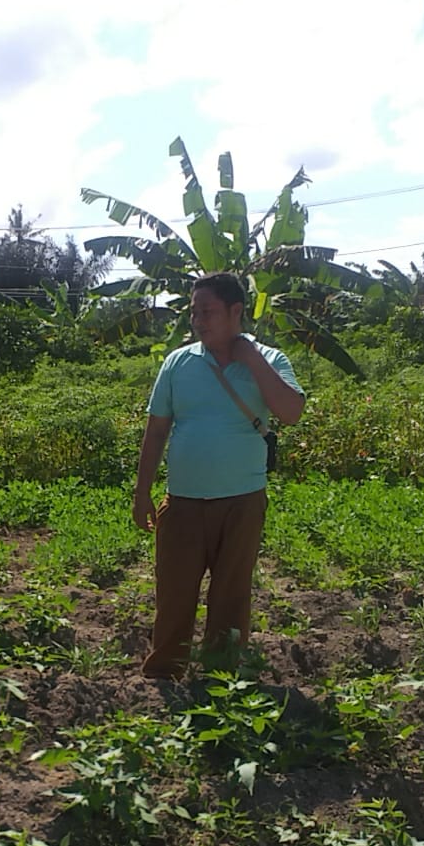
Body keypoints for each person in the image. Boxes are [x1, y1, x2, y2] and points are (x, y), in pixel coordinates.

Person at [132, 272, 305, 679]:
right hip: (184, 502)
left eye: (207, 312)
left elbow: (291, 413)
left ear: (236, 312)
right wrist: (142, 493)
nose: (198, 320)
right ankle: (164, 676)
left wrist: (251, 359)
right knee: (174, 593)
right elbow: (156, 430)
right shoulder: (179, 362)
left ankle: (220, 677)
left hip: (242, 502)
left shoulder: (272, 360)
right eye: (194, 312)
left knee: (231, 595)